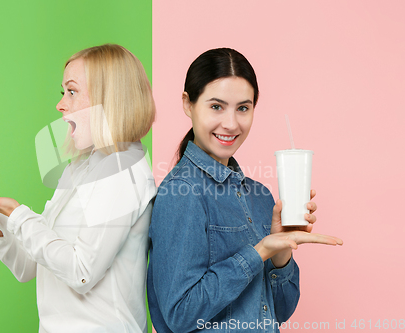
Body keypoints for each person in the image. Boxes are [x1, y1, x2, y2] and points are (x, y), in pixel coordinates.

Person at [0, 44, 156, 333]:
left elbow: (81, 272)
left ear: (109, 99)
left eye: (72, 91)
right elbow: (27, 267)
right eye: (63, 92)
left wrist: (17, 213)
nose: (61, 104)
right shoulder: (80, 168)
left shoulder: (124, 172)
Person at [147, 48, 343, 333]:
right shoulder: (181, 193)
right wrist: (259, 251)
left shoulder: (260, 196)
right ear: (188, 104)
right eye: (216, 106)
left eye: (243, 108)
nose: (231, 123)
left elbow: (281, 311)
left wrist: (280, 253)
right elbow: (181, 314)